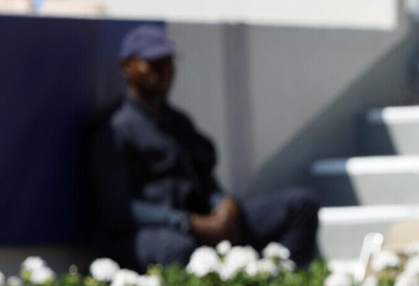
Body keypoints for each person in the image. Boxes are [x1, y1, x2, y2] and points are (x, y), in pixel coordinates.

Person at [87, 25, 321, 269]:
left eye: (167, 62)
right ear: (127, 66)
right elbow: (119, 210)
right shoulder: (113, 129)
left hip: (203, 225)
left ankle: (279, 283)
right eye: (152, 62)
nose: (163, 70)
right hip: (152, 233)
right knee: (179, 247)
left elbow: (205, 181)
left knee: (301, 205)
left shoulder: (179, 122)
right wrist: (186, 222)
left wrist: (224, 205)